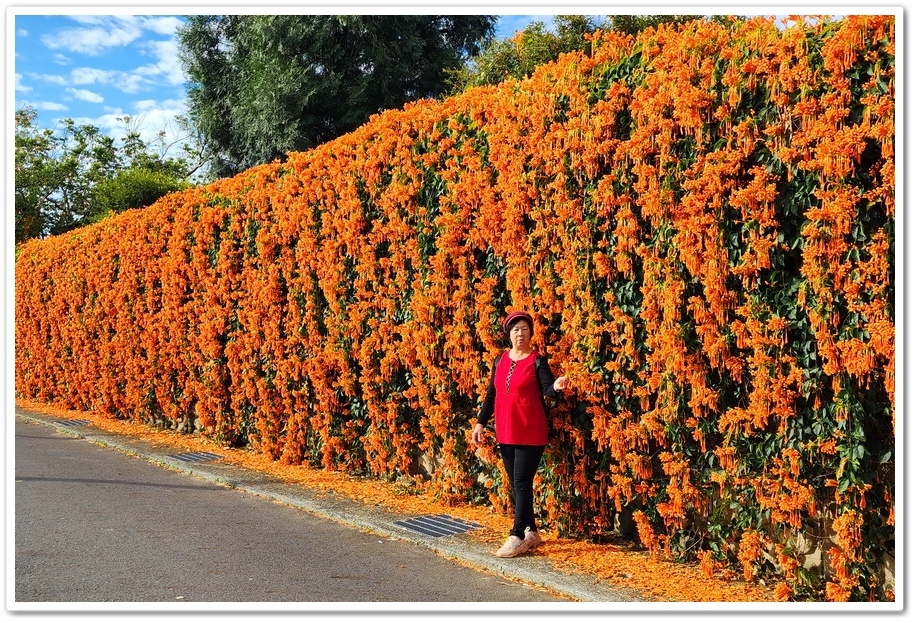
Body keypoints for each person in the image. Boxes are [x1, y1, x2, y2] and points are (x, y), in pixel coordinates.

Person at [472, 310, 568, 558]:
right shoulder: (500, 360)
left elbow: (547, 388)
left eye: (524, 329)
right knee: (517, 484)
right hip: (505, 430)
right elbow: (491, 395)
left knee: (522, 482)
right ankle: (532, 532)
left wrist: (556, 387)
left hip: (530, 430)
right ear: (508, 333)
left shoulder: (537, 361)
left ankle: (516, 535)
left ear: (531, 333)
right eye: (515, 329)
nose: (520, 333)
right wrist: (481, 423)